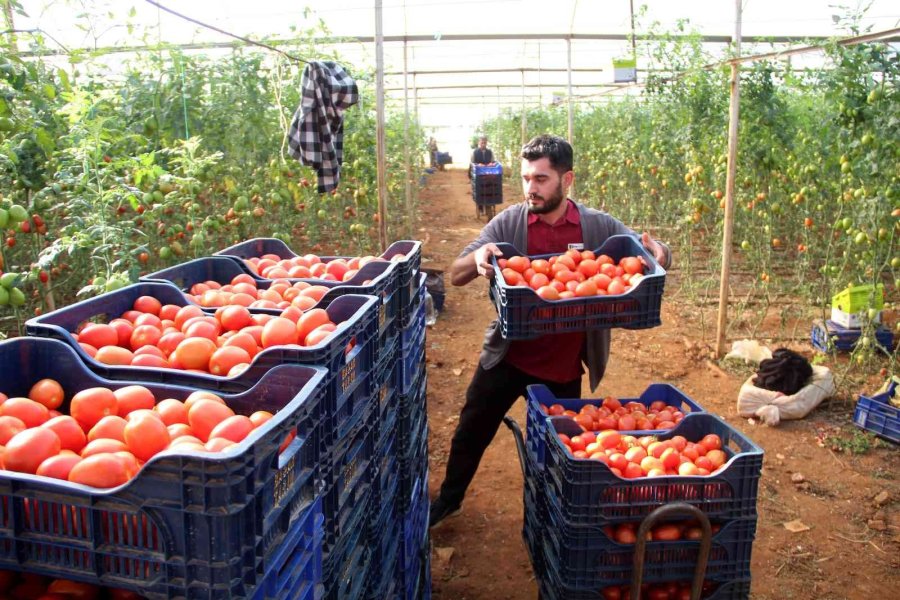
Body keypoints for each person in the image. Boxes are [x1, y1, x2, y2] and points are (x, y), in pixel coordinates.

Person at [429, 134, 672, 529]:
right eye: (526, 178)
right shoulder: (510, 222)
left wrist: (660, 252)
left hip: (561, 368)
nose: (531, 188)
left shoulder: (596, 226)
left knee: (558, 451)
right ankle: (449, 499)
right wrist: (479, 256)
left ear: (567, 179)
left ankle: (548, 525)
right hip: (509, 356)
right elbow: (455, 273)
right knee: (471, 431)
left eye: (541, 179)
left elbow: (647, 251)